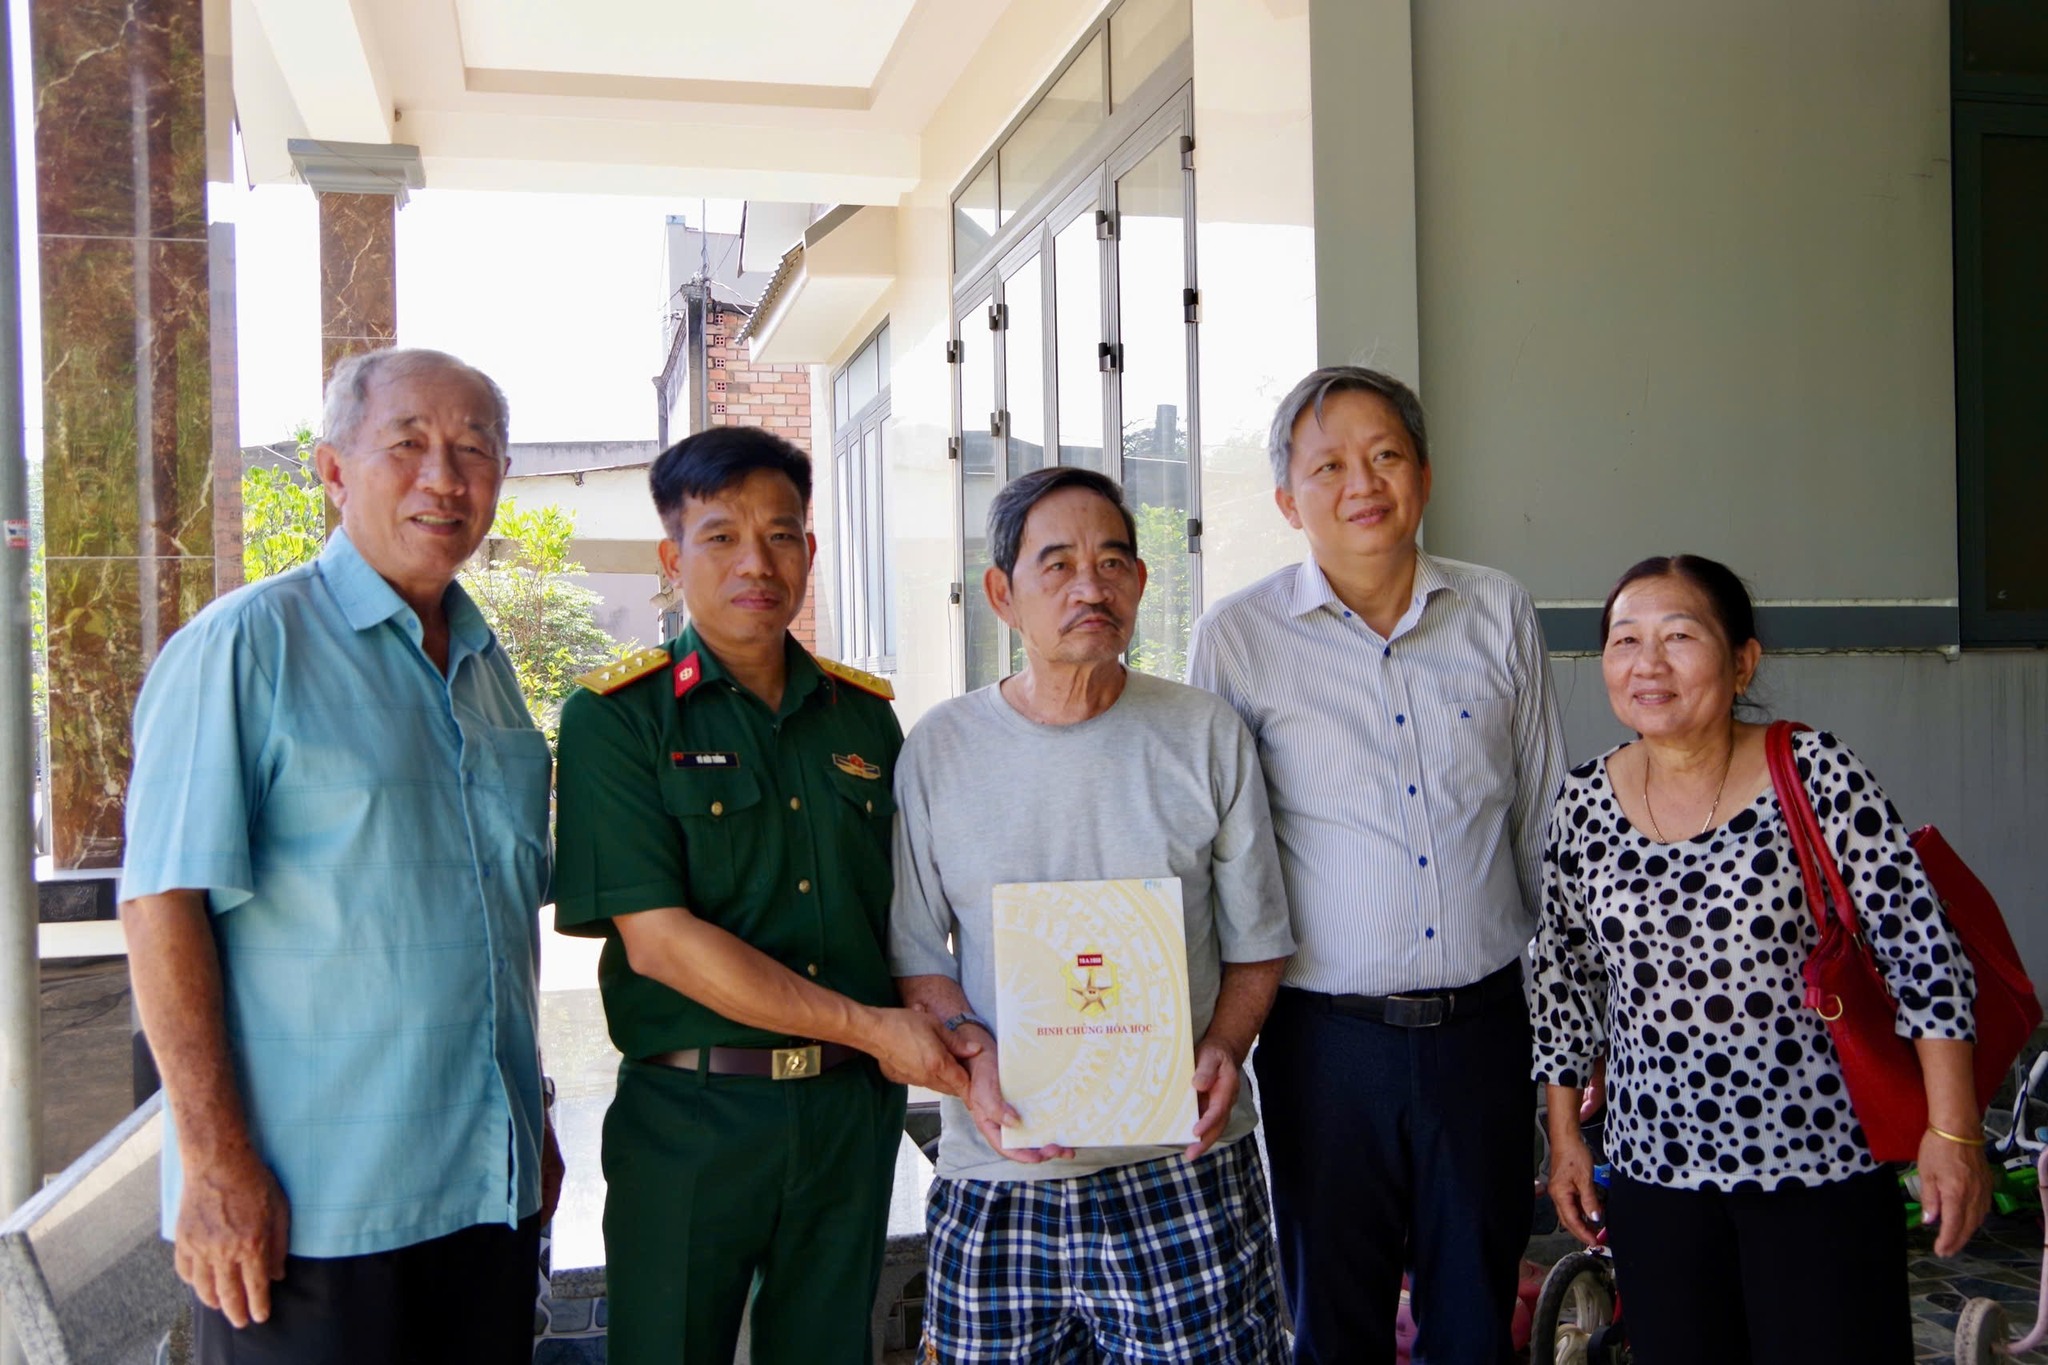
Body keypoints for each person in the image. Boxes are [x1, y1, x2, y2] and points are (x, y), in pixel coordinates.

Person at [120, 347, 561, 1363]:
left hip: (483, 1204)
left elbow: (493, 927)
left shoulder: (488, 672)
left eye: (474, 451)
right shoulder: (247, 646)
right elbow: (160, 905)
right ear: (331, 471)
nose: (443, 478)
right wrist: (214, 1163)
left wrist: (528, 1114)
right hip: (309, 1219)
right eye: (407, 444)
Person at [550, 426, 968, 1365]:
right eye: (721, 536)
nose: (757, 562)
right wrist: (870, 1027)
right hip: (692, 1115)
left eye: (781, 535)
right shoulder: (618, 718)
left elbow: (908, 912)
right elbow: (659, 941)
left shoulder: (864, 717)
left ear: (809, 551)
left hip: (847, 1114)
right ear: (672, 559)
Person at [1187, 365, 1567, 1364]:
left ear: (1425, 476)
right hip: (1324, 1043)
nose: (1362, 483)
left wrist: (1570, 1029)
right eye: (1329, 466)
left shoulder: (1497, 611)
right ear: (1287, 500)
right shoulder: (1237, 639)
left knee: (1476, 1317)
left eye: (1386, 455)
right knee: (1334, 1319)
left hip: (1483, 1033)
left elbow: (1544, 827)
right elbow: (1217, 851)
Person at [1533, 553, 1989, 1364]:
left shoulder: (1815, 773)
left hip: (1817, 1169)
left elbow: (1924, 951)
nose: (1648, 663)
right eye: (1625, 639)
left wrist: (1953, 1131)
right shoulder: (1582, 802)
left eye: (1679, 636)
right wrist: (1566, 1135)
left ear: (1743, 661)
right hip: (1655, 1175)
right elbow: (1564, 978)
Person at [891, 465, 1297, 1363]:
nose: (1091, 587)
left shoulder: (1205, 733)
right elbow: (918, 953)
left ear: (1141, 583)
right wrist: (972, 1054)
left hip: (1183, 1168)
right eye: (1059, 564)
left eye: (1113, 562)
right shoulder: (939, 750)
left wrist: (1226, 1044)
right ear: (1001, 594)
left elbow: (1258, 942)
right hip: (1000, 1172)